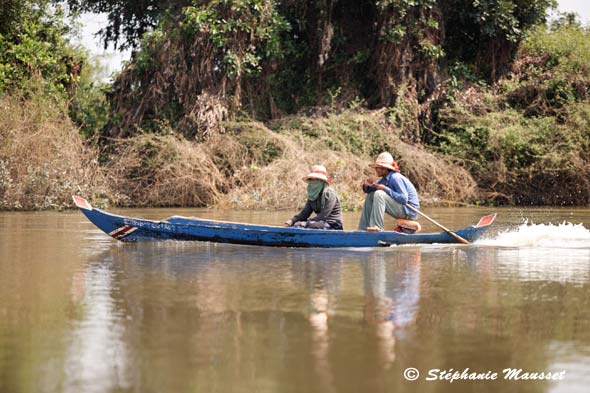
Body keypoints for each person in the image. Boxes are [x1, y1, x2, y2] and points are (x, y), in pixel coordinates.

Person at [358, 152, 421, 233]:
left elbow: (404, 199)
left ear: (384, 169)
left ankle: (377, 227)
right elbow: (370, 191)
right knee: (371, 195)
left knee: (379, 194)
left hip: (408, 211)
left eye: (378, 167)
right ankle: (363, 228)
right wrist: (367, 186)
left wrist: (385, 189)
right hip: (401, 208)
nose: (376, 169)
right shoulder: (384, 179)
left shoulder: (395, 178)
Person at [284, 165, 343, 230]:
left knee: (304, 225)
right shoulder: (312, 195)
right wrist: (291, 221)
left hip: (333, 225)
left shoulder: (329, 193)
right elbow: (304, 213)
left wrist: (305, 223)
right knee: (295, 226)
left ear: (322, 182)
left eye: (316, 180)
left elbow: (324, 215)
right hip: (319, 223)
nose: (313, 182)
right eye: (311, 180)